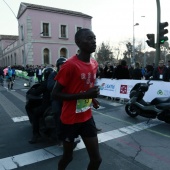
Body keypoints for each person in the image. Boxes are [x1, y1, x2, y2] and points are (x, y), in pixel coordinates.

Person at [52, 28, 102, 170]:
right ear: (78, 42)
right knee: (68, 157)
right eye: (89, 38)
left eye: (94, 38)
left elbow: (84, 87)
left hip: (86, 117)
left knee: (97, 159)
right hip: (69, 120)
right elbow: (54, 94)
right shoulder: (69, 65)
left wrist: (91, 99)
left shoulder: (94, 63)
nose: (94, 41)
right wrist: (84, 96)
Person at [27, 67, 54, 144]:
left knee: (35, 114)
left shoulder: (46, 83)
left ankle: (36, 135)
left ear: (45, 75)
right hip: (57, 104)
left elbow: (36, 92)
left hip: (48, 105)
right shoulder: (57, 81)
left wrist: (31, 90)